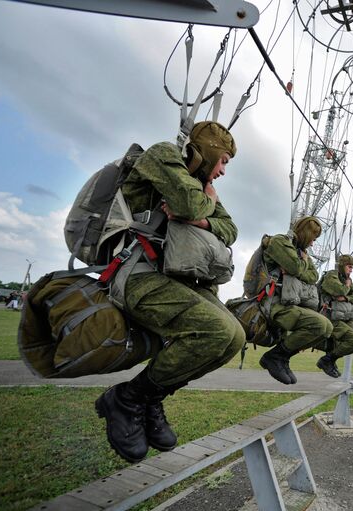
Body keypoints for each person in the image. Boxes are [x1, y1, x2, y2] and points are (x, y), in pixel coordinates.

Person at [96, 121, 246, 463]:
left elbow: (230, 230)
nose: (222, 171)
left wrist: (202, 216)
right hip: (137, 274)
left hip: (176, 279)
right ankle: (127, 398)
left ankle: (150, 397)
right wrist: (203, 206)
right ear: (207, 153)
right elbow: (190, 205)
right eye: (222, 161)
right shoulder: (163, 155)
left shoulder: (200, 185)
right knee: (215, 331)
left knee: (234, 337)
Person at [258, 216, 334, 385]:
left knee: (327, 327)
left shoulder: (302, 254)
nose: (313, 244)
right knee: (319, 325)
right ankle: (275, 357)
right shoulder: (279, 242)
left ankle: (282, 357)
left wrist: (298, 268)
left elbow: (313, 276)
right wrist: (299, 267)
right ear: (306, 234)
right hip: (273, 305)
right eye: (312, 239)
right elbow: (296, 267)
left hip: (290, 304)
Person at [317, 254, 353, 378]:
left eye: (352, 268)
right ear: (342, 265)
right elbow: (338, 290)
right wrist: (346, 287)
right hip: (330, 317)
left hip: (344, 318)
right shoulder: (331, 276)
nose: (351, 270)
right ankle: (327, 360)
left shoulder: (346, 280)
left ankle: (331, 359)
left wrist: (345, 298)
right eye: (349, 267)